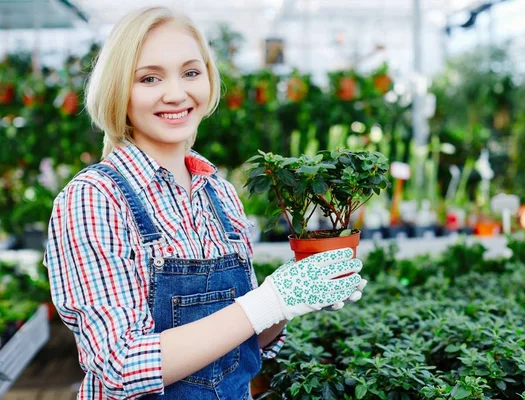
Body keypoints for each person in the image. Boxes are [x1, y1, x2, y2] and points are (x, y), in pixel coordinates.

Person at [43, 6, 367, 400]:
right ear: (118, 91)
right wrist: (266, 301)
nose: (177, 93)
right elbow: (121, 365)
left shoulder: (220, 195)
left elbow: (241, 346)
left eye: (191, 72)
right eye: (149, 78)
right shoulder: (95, 199)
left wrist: (290, 300)